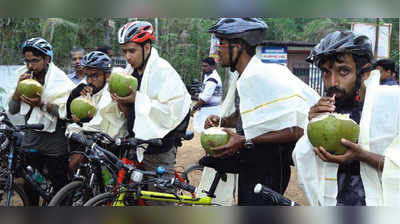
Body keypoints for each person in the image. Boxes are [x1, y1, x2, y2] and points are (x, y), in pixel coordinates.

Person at [204, 18, 319, 205]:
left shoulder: (266, 76)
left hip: (270, 169)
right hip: (250, 165)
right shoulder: (244, 78)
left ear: (239, 45)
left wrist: (245, 139)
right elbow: (251, 119)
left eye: (222, 42)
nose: (218, 48)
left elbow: (295, 130)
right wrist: (222, 121)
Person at [293, 30, 400, 206]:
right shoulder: (330, 111)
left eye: (343, 71)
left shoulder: (392, 104)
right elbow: (303, 161)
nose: (333, 82)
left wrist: (362, 156)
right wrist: (310, 127)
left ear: (364, 73)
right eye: (326, 72)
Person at [115, 21, 191, 202]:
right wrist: (121, 102)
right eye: (124, 51)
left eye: (131, 51)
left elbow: (170, 111)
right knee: (132, 198)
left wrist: (137, 99)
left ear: (147, 47)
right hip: (136, 145)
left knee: (160, 203)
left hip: (159, 149)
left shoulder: (163, 72)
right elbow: (132, 114)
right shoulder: (130, 74)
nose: (127, 57)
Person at [8, 37, 75, 205]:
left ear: (47, 59)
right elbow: (13, 109)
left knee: (59, 184)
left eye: (35, 61)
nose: (30, 65)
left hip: (55, 143)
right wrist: (17, 91)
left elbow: (67, 112)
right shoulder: (25, 79)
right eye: (28, 61)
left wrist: (42, 104)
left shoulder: (61, 82)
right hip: (31, 141)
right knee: (30, 184)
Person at [65, 51, 126, 171]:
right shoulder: (84, 90)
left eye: (95, 76)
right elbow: (71, 115)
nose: (90, 81)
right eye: (87, 76)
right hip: (91, 141)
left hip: (113, 144)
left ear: (107, 75)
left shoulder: (113, 91)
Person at [191, 57, 223, 133]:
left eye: (205, 66)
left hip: (210, 111)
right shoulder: (208, 76)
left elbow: (205, 98)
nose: (203, 68)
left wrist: (194, 109)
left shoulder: (212, 79)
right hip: (209, 110)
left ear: (212, 67)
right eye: (202, 66)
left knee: (209, 133)